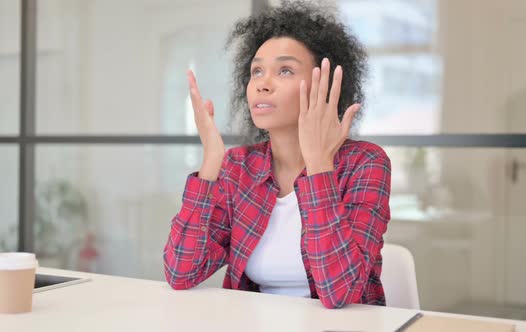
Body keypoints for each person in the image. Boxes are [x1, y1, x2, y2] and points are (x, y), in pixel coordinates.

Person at [163, 1, 391, 309]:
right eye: (257, 71)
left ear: (323, 86)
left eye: (284, 70)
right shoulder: (238, 166)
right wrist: (211, 163)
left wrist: (319, 167)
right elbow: (181, 271)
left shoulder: (365, 164)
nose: (262, 85)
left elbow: (339, 293)